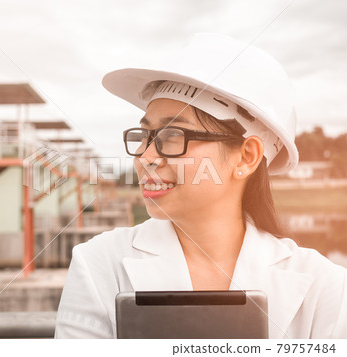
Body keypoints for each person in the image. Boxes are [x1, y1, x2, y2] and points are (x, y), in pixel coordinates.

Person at [54, 33, 347, 338]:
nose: (145, 156)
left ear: (246, 157)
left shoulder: (327, 288)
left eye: (173, 137)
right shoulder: (98, 265)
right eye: (145, 136)